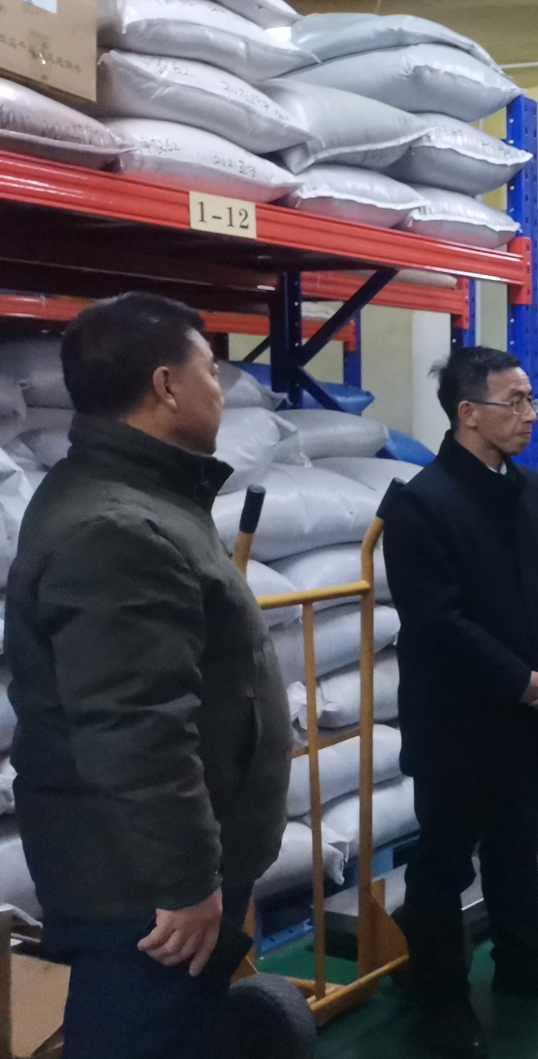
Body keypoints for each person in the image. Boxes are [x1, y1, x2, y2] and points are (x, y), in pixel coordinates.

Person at [5, 294, 290, 1059]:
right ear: (166, 386)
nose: (220, 390)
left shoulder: (143, 498)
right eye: (211, 372)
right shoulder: (116, 526)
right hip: (141, 897)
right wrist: (186, 882)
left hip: (146, 881)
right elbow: (136, 729)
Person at [382, 347, 538, 1059]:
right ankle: (440, 996)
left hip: (526, 714)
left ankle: (522, 962)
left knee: (517, 847)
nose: (531, 415)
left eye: (531, 400)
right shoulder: (422, 503)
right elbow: (437, 622)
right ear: (469, 413)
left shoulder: (529, 489)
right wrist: (519, 677)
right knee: (444, 864)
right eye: (517, 402)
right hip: (456, 722)